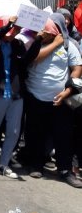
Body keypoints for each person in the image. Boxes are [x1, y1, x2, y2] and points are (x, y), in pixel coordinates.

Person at [24, 14, 82, 188]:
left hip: (61, 100)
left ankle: (64, 170)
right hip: (35, 96)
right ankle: (36, 165)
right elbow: (34, 58)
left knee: (63, 135)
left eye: (49, 30)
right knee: (36, 133)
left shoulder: (69, 45)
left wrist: (68, 91)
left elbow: (77, 68)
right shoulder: (33, 43)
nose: (45, 33)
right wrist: (53, 43)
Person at [0, 16, 38, 179]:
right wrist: (10, 25)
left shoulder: (17, 44)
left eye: (16, 30)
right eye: (10, 29)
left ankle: (3, 164)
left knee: (13, 132)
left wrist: (39, 39)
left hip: (16, 95)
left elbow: (26, 60)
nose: (13, 32)